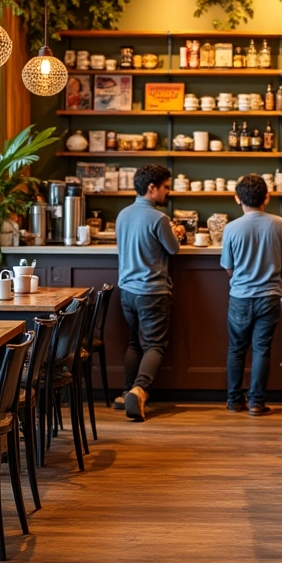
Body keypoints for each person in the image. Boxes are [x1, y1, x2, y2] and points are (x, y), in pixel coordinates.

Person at [221, 174, 282, 416]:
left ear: (237, 199)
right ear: (267, 197)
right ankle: (256, 403)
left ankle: (233, 400)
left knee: (236, 349)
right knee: (262, 348)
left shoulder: (231, 228)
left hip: (240, 296)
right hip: (270, 295)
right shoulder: (279, 224)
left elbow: (228, 267)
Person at [115, 164, 180, 421]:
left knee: (134, 342)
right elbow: (173, 249)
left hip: (127, 291)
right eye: (165, 187)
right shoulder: (158, 218)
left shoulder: (123, 214)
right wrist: (178, 232)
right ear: (151, 188)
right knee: (154, 344)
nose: (168, 191)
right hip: (152, 291)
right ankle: (140, 390)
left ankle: (125, 392)